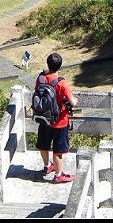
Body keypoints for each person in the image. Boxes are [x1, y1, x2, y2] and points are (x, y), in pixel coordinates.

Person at [35, 52, 78, 183]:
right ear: (60, 66)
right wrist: (75, 98)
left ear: (48, 63)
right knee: (58, 150)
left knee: (43, 144)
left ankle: (47, 166)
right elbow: (72, 102)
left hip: (44, 118)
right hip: (59, 121)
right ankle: (58, 175)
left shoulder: (41, 79)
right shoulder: (62, 83)